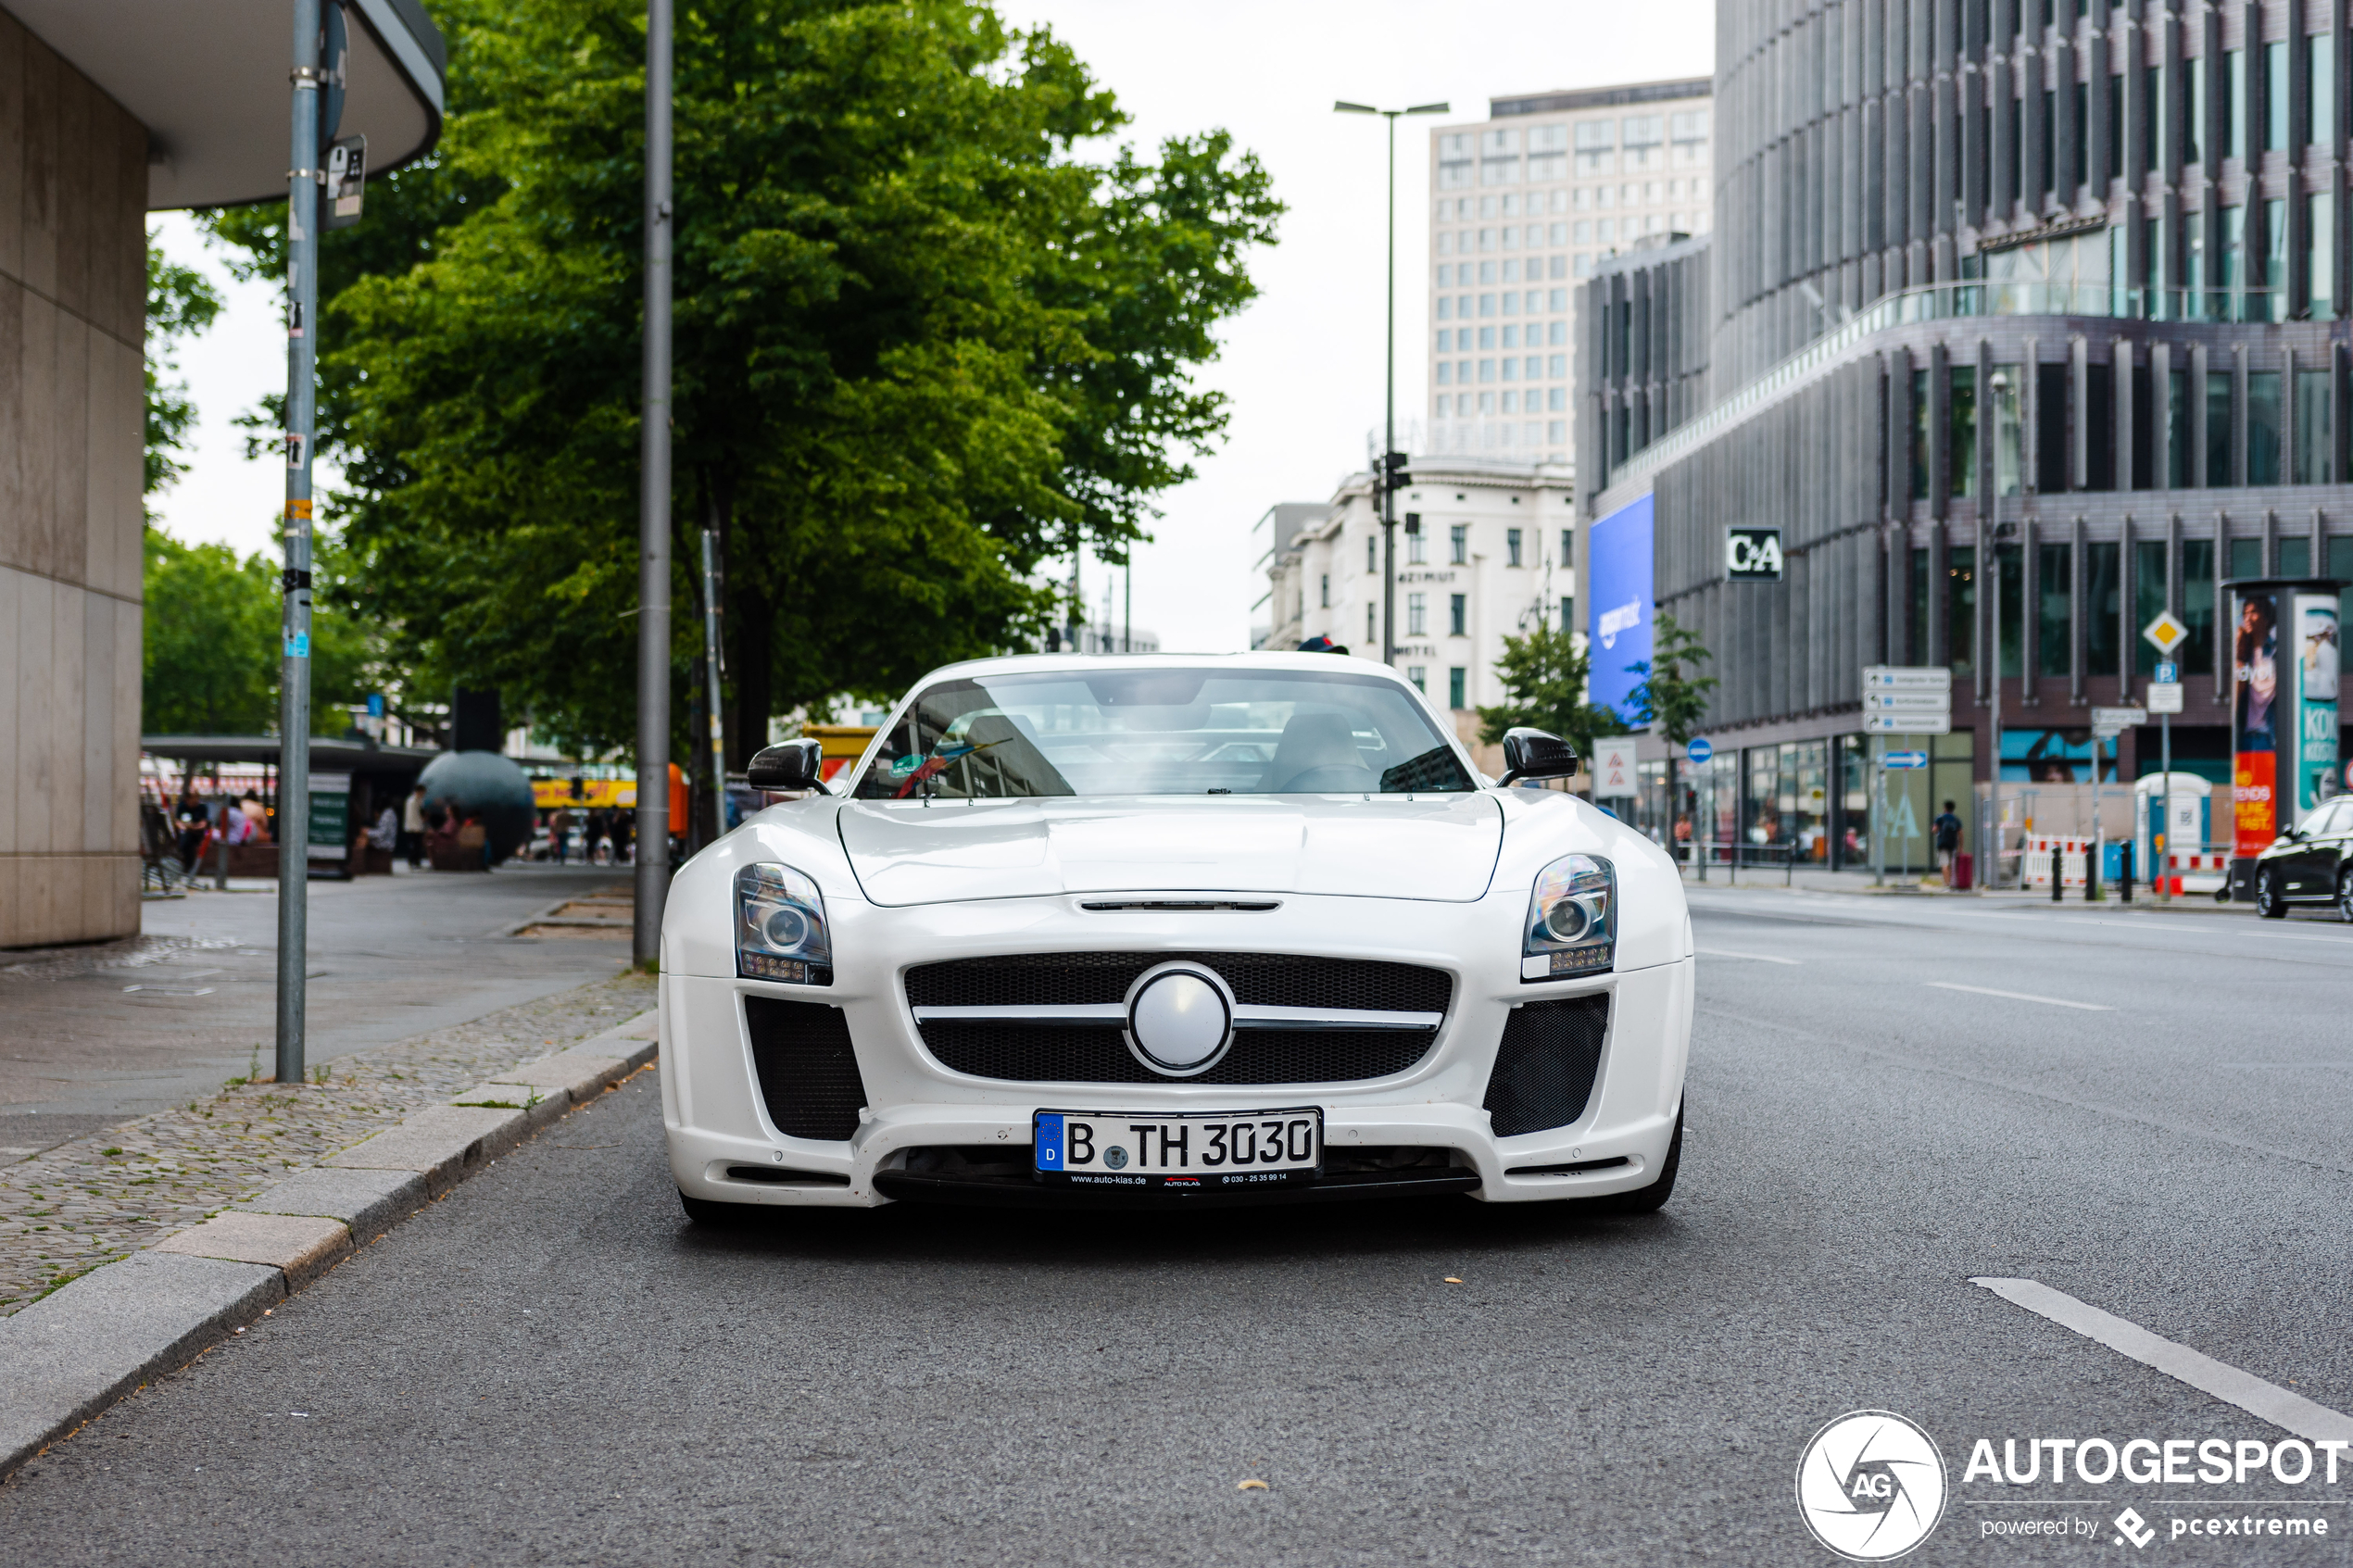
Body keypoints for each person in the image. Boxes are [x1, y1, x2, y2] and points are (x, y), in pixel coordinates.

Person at [1933, 799, 1964, 887]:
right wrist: (1961, 846)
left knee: (1944, 865)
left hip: (1942, 845)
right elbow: (1961, 833)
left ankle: (1947, 885)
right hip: (1953, 845)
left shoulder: (1940, 818)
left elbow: (1934, 830)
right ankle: (1950, 883)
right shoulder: (1956, 819)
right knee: (1950, 865)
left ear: (1945, 808)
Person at [400, 784, 426, 868]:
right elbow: (411, 816)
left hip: (418, 826)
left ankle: (416, 861)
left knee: (418, 846)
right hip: (413, 827)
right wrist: (416, 827)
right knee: (414, 846)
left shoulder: (419, 800)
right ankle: (412, 861)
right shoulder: (412, 801)